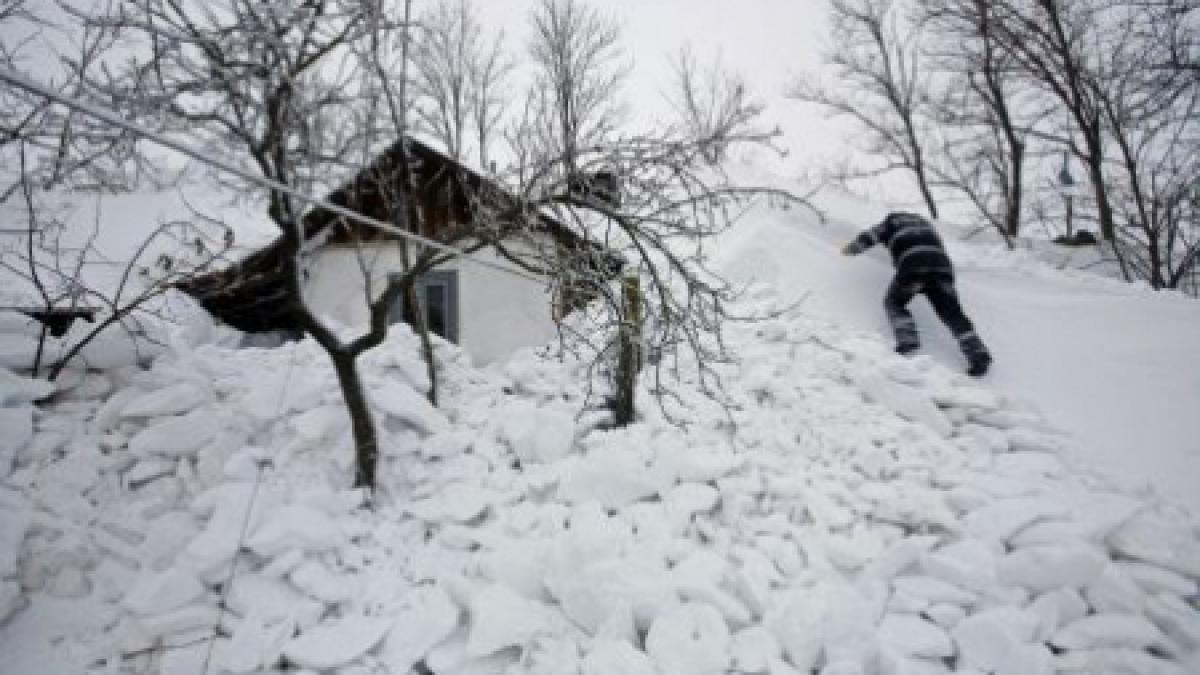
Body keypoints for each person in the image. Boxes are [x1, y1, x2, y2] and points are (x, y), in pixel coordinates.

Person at [842, 212, 992, 376]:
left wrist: (850, 249)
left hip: (913, 266)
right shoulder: (926, 224)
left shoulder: (891, 222)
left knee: (894, 302)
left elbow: (869, 237)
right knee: (952, 314)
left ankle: (908, 340)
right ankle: (978, 354)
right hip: (942, 269)